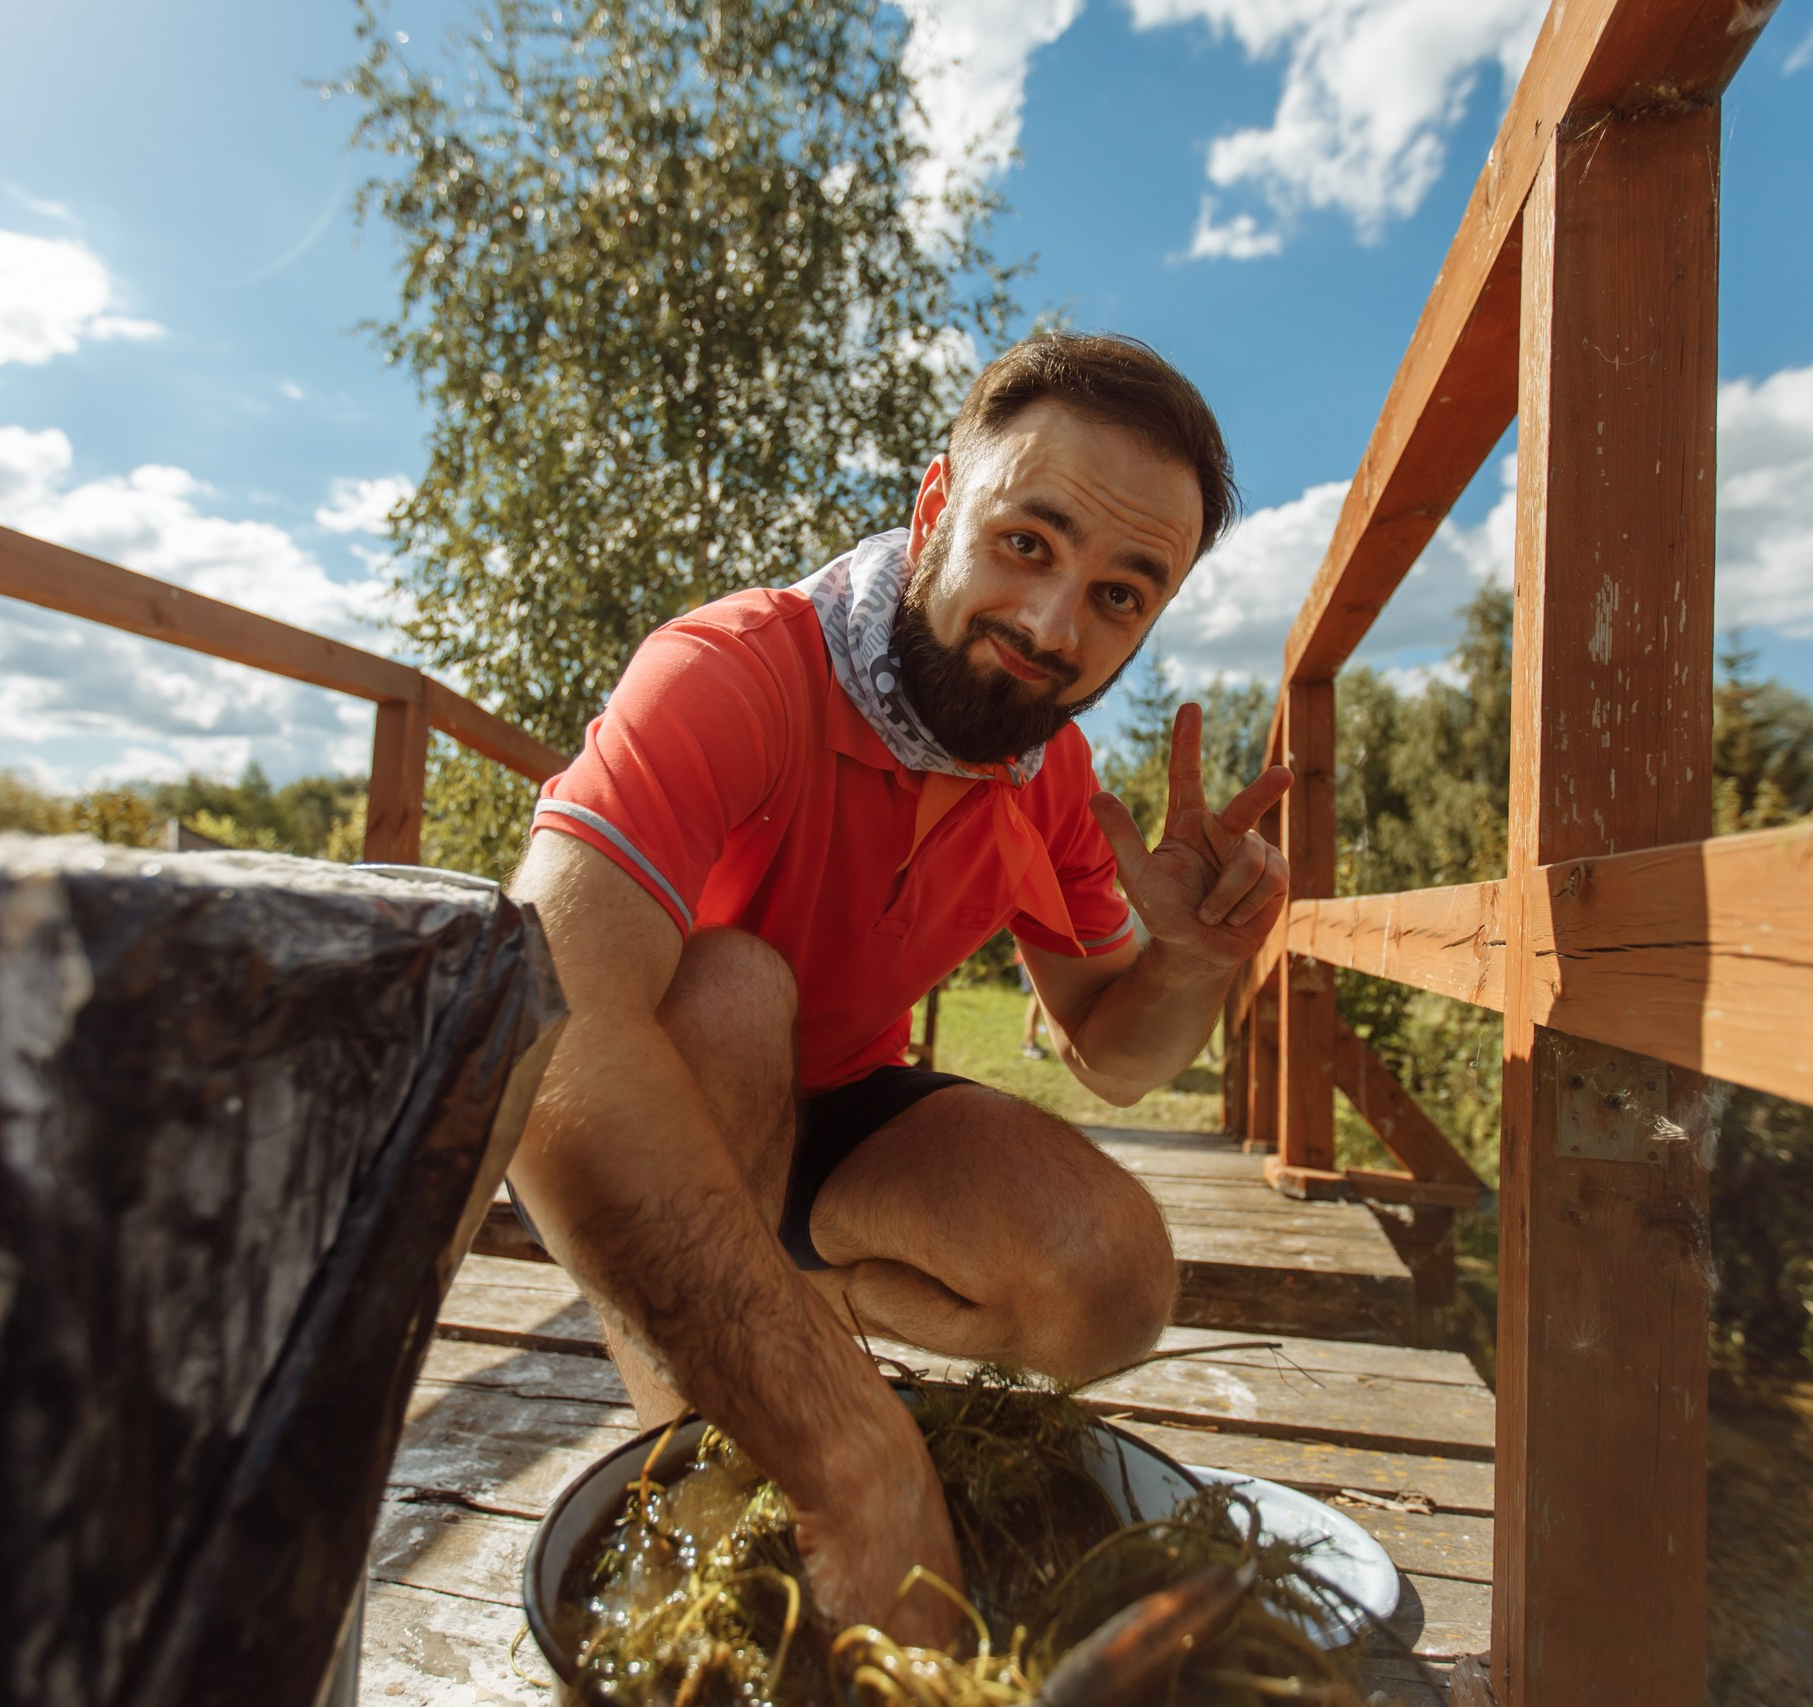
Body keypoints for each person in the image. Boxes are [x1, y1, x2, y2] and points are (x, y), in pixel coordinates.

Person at [503, 332, 1291, 1650]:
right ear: (936, 508)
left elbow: (1114, 1052)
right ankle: (705, 1437)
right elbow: (546, 1035)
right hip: (663, 1123)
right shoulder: (732, 672)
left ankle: (785, 1306)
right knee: (736, 986)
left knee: (1111, 1280)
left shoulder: (1051, 777)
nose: (1052, 627)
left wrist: (1197, 963)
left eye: (1118, 596)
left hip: (844, 1117)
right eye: (1027, 543)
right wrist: (848, 1436)